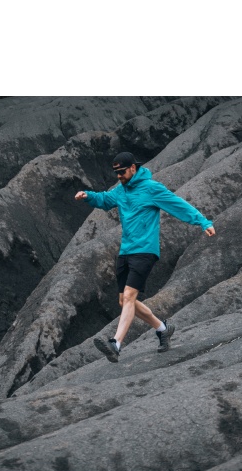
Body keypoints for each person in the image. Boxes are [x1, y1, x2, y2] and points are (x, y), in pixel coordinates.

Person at [75, 152, 215, 363]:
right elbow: (105, 200)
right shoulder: (121, 190)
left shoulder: (151, 188)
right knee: (125, 301)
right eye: (116, 173)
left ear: (133, 168)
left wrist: (203, 222)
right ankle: (163, 329)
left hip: (145, 251)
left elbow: (178, 205)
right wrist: (87, 196)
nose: (119, 176)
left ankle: (116, 344)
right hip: (126, 251)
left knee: (129, 297)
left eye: (122, 172)